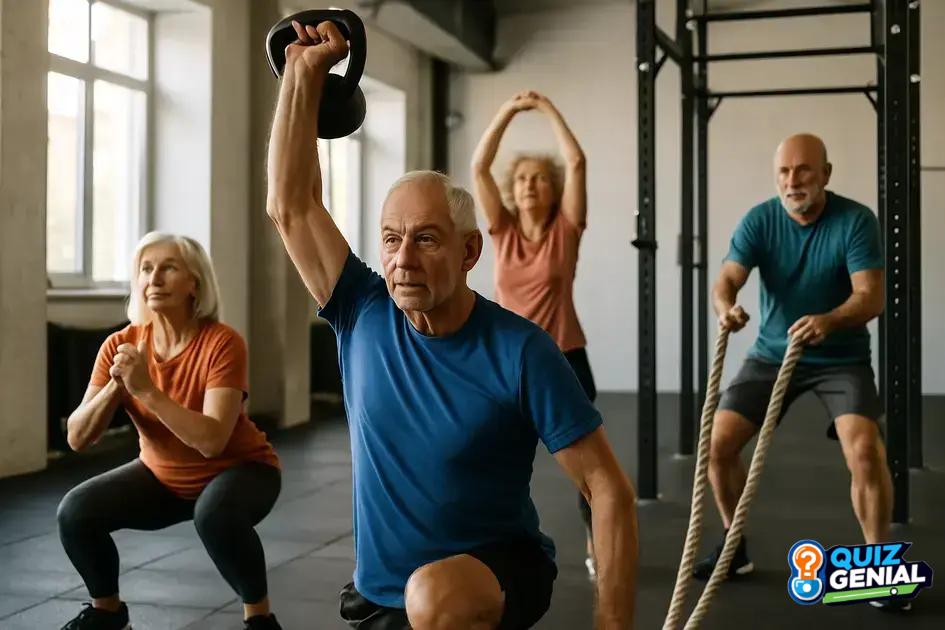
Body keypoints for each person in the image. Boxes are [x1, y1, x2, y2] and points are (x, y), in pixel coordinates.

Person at [267, 20, 638, 630]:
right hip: (383, 589)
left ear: (469, 253)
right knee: (416, 599)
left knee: (433, 601)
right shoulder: (361, 310)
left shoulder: (521, 351)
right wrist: (303, 75)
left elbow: (608, 489)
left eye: (425, 239)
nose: (403, 258)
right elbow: (291, 204)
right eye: (391, 240)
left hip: (495, 570)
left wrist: (613, 624)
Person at [694, 134, 900, 610]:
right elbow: (726, 278)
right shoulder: (761, 219)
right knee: (718, 445)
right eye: (785, 172)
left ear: (825, 174)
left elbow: (870, 296)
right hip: (771, 354)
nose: (793, 181)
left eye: (804, 170)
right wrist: (726, 307)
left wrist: (829, 320)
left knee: (865, 450)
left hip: (840, 358)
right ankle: (735, 546)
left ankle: (879, 568)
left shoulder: (854, 221)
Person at [56, 233, 283, 630]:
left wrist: (146, 388)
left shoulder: (222, 343)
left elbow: (212, 441)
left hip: (241, 471)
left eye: (168, 268)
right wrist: (116, 385)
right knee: (76, 511)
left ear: (194, 283)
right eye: (146, 269)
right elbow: (77, 437)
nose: (154, 278)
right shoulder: (120, 345)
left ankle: (260, 619)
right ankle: (107, 612)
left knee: (214, 515)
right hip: (162, 478)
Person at [471, 89, 600, 578]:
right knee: (487, 461)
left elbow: (577, 159)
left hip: (565, 357)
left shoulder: (566, 229)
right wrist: (506, 110)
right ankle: (485, 547)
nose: (528, 185)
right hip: (506, 361)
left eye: (540, 179)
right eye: (522, 178)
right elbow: (480, 166)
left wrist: (545, 108)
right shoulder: (501, 230)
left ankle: (597, 546)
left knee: (588, 471)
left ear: (553, 190)